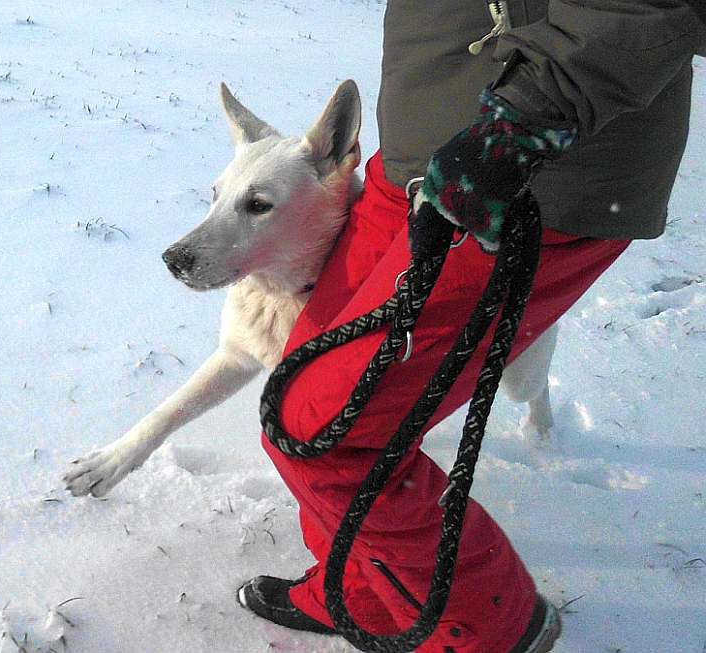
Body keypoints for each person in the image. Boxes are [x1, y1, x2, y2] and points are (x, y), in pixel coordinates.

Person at [237, 2, 706, 651]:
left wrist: (518, 129)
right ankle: (366, 591)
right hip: (415, 165)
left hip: (523, 173)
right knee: (300, 399)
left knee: (333, 430)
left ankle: (491, 629)